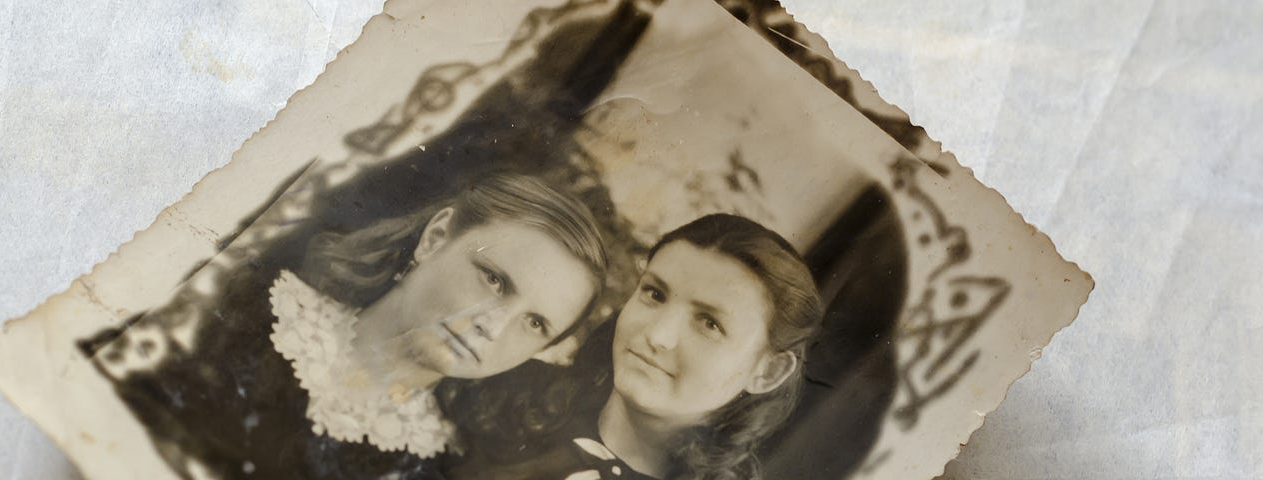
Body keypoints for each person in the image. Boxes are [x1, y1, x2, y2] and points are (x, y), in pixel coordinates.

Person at [85, 174, 610, 479]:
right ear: (436, 237)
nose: (492, 328)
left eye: (536, 324)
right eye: (494, 281)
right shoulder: (239, 302)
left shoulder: (430, 471)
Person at [452, 213, 822, 479]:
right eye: (655, 294)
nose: (658, 335)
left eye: (710, 323)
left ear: (767, 372)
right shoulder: (493, 392)